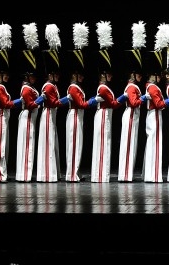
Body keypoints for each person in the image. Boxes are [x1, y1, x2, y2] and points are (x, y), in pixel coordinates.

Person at [62, 24, 97, 183]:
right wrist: (93, 100)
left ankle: (74, 172)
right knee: (74, 145)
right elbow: (82, 104)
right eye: (80, 75)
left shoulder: (76, 87)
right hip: (75, 116)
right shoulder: (74, 87)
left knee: (77, 145)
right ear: (75, 75)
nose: (82, 78)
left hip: (78, 117)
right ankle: (71, 174)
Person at [0, 26, 21, 183]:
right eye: (5, 74)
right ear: (0, 75)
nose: (8, 77)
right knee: (0, 146)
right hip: (1, 116)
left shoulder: (2, 86)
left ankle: (1, 173)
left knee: (3, 146)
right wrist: (20, 101)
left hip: (4, 117)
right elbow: (6, 104)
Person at [89, 25, 119, 183]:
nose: (111, 77)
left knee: (103, 144)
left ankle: (100, 175)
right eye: (109, 74)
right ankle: (100, 176)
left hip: (104, 115)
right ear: (104, 75)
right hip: (103, 115)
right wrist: (122, 98)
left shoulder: (104, 87)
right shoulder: (104, 88)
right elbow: (113, 104)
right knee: (102, 144)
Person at [35, 24, 64, 183]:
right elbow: (53, 102)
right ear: (51, 75)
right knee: (48, 142)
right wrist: (66, 100)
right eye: (56, 74)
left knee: (52, 142)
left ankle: (52, 173)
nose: (58, 77)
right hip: (47, 114)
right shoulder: (48, 86)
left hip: (51, 115)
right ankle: (46, 175)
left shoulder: (52, 86)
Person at [116, 29, 146, 183]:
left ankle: (126, 174)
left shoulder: (133, 87)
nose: (141, 77)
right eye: (138, 75)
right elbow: (134, 103)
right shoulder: (132, 87)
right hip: (130, 115)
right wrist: (144, 98)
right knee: (128, 144)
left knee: (131, 144)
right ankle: (125, 175)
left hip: (133, 117)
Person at [14, 23, 41, 183]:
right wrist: (41, 99)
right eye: (32, 77)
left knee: (28, 146)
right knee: (27, 146)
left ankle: (25, 174)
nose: (35, 79)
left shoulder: (30, 87)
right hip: (28, 117)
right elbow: (30, 105)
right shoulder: (26, 88)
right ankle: (24, 175)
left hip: (30, 118)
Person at [141, 53, 169, 183]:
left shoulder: (150, 86)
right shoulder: (153, 87)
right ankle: (153, 175)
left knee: (152, 143)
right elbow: (158, 104)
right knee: (155, 143)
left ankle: (150, 174)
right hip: (155, 115)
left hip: (152, 114)